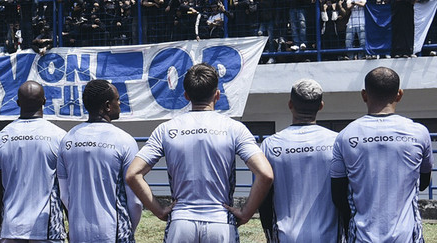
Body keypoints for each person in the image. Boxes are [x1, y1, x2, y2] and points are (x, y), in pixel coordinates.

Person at [126, 63, 273, 242]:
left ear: (186, 96)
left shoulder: (165, 129)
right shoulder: (234, 128)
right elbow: (265, 174)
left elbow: (133, 174)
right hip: (220, 221)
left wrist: (159, 210)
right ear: (217, 95)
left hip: (180, 222)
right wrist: (246, 213)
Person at [330, 67, 433, 242]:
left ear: (364, 95)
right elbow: (423, 182)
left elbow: (338, 194)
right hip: (407, 236)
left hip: (362, 237)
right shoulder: (419, 132)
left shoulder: (345, 136)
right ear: (399, 94)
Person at [57, 79, 142, 243]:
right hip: (114, 233)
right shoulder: (124, 141)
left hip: (78, 233)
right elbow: (135, 200)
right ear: (107, 106)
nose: (120, 103)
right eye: (117, 99)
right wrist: (128, 229)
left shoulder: (67, 140)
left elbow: (65, 194)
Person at [259, 79, 341, 242]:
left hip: (285, 236)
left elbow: (265, 198)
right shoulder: (337, 141)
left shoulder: (270, 144)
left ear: (290, 104)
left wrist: (269, 234)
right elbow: (343, 194)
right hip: (329, 236)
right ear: (321, 106)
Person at [0, 81, 66, 242]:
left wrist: (1, 226)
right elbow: (66, 188)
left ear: (18, 103)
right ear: (44, 101)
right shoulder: (59, 137)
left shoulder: (0, 138)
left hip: (11, 228)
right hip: (48, 229)